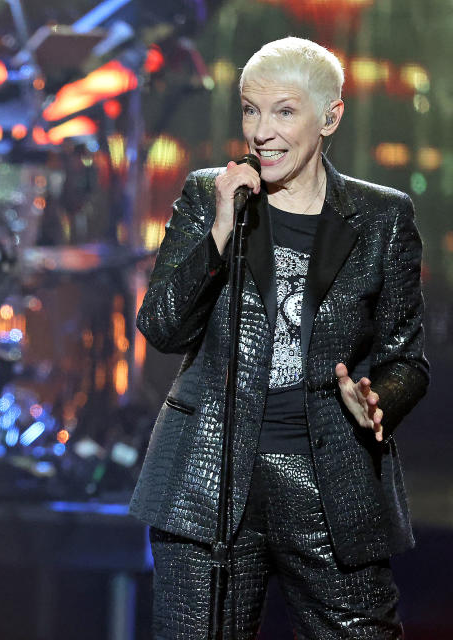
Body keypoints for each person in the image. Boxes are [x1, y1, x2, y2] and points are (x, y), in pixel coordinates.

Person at [131, 37, 429, 638]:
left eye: (284, 111)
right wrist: (218, 230)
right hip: (208, 479)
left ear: (330, 116)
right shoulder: (207, 194)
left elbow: (408, 360)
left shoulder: (381, 217)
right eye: (250, 110)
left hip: (329, 484)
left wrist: (377, 401)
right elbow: (161, 326)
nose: (261, 131)